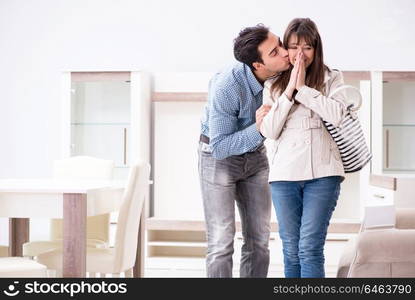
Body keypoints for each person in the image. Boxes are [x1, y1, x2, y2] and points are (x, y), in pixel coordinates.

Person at [198, 24, 290, 277]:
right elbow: (220, 146)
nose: (284, 53)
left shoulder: (282, 73)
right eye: (274, 52)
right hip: (218, 159)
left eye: (280, 44)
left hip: (256, 157)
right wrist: (259, 129)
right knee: (221, 240)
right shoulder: (227, 85)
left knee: (260, 239)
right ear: (258, 65)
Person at [260, 18, 346, 278]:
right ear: (286, 47)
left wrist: (304, 89)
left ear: (316, 49)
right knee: (290, 249)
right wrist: (288, 91)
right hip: (284, 176)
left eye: (307, 47)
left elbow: (338, 115)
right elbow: (270, 130)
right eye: (295, 46)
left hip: (322, 174)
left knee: (309, 247)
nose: (300, 54)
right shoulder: (273, 85)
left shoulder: (332, 78)